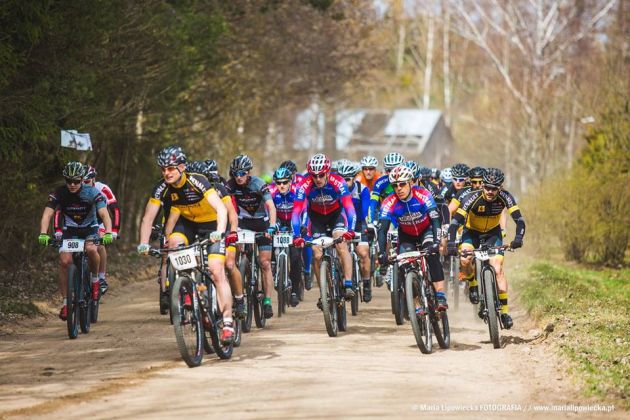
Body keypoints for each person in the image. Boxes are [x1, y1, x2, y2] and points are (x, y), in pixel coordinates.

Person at [137, 146, 234, 343]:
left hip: (212, 223)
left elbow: (221, 210)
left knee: (216, 270)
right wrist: (143, 243)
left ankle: (228, 321)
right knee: (173, 241)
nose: (166, 173)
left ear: (182, 167)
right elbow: (148, 218)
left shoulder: (197, 180)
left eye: (171, 168)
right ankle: (188, 285)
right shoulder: (161, 187)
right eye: (163, 169)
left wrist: (219, 231)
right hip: (189, 223)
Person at [447, 168, 525, 329]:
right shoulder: (471, 198)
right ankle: (473, 284)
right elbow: (455, 222)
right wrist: (450, 242)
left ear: (500, 188)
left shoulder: (506, 197)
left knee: (497, 270)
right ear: (482, 185)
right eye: (487, 187)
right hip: (471, 233)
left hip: (493, 234)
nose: (490, 191)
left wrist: (518, 238)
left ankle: (504, 312)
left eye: (494, 188)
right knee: (465, 260)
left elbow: (520, 220)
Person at [38, 162, 114, 320]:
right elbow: (47, 214)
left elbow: (104, 214)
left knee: (92, 249)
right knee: (65, 262)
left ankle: (94, 281)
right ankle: (66, 304)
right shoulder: (59, 192)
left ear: (81, 179)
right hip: (70, 230)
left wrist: (107, 232)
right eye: (69, 181)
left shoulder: (92, 191)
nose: (72, 185)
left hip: (90, 228)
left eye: (76, 181)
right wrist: (43, 233)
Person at [377, 165, 447, 310]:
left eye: (402, 184)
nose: (399, 188)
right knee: (405, 266)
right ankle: (416, 304)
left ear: (410, 183)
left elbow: (435, 219)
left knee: (432, 254)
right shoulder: (389, 202)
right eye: (395, 185)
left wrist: (436, 241)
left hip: (426, 230)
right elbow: (382, 230)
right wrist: (382, 253)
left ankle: (440, 295)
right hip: (406, 235)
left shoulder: (423, 194)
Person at [291, 153, 357, 301]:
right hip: (316, 219)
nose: (318, 179)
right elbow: (296, 212)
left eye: (321, 175)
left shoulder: (338, 181)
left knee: (341, 246)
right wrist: (296, 236)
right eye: (314, 176)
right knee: (316, 253)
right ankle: (324, 293)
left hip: (336, 216)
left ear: (327, 172)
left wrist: (351, 231)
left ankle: (348, 284)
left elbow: (349, 207)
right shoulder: (305, 185)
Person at [226, 154, 277, 319]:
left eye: (242, 173)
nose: (238, 177)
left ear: (248, 172)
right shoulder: (230, 185)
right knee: (236, 256)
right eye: (235, 174)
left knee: (265, 263)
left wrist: (272, 226)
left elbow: (271, 206)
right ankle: (243, 276)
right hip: (243, 223)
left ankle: (268, 301)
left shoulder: (258, 183)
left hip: (262, 223)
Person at [80, 165, 121, 295]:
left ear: (93, 179)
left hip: (99, 222)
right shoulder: (74, 189)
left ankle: (101, 278)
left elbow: (115, 209)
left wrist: (114, 230)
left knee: (99, 244)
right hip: (80, 223)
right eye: (80, 182)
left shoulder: (102, 188)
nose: (83, 185)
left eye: (86, 182)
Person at [337, 160, 373, 302]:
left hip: (359, 223)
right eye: (342, 179)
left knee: (363, 253)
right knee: (340, 252)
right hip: (342, 223)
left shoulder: (362, 189)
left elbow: (365, 211)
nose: (344, 183)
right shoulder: (336, 189)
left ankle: (366, 283)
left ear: (354, 178)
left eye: (347, 179)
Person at [269, 166, 303, 307]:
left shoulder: (297, 191)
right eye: (278, 182)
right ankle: (274, 266)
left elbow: (304, 209)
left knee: (295, 257)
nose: (281, 185)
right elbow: (267, 211)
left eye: (284, 182)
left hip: (294, 222)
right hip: (278, 221)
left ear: (290, 181)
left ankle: (295, 291)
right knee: (267, 241)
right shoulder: (271, 192)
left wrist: (302, 227)